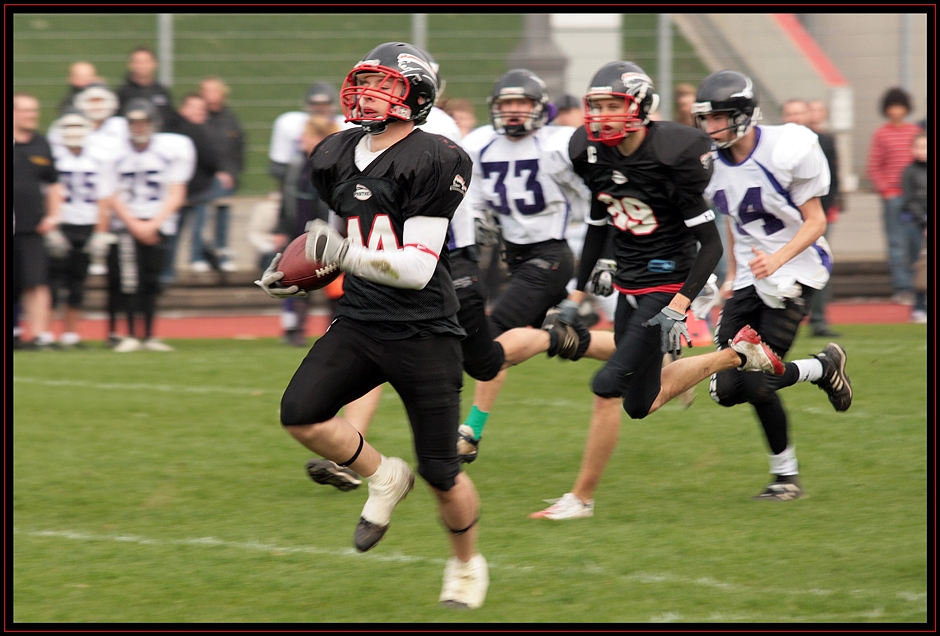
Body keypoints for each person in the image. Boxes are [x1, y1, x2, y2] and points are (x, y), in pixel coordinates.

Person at [254, 42, 488, 609]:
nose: (367, 95)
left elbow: (414, 267)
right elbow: (349, 234)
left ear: (417, 98)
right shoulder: (336, 152)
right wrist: (303, 267)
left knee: (442, 472)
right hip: (360, 319)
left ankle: (467, 564)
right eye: (365, 83)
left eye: (384, 86)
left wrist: (341, 251)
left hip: (424, 330)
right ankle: (383, 475)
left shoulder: (436, 157)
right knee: (301, 415)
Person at [528, 63, 798, 521]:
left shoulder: (675, 153)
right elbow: (598, 224)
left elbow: (710, 244)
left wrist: (679, 305)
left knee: (606, 383)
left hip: (668, 285)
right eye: (597, 107)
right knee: (639, 403)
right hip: (629, 283)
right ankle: (736, 354)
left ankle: (580, 499)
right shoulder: (589, 152)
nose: (603, 116)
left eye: (614, 106)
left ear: (641, 108)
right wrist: (576, 296)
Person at [690, 70, 853, 503]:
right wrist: (730, 275)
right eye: (705, 119)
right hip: (750, 276)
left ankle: (786, 476)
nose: (710, 128)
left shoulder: (787, 148)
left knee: (759, 382)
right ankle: (821, 368)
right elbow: (734, 221)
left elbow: (816, 221)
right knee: (726, 389)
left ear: (743, 115)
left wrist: (777, 259)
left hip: (797, 269)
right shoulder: (713, 166)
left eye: (718, 118)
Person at [98, 98, 195, 352]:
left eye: (143, 122)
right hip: (127, 225)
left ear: (153, 123)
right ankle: (130, 335)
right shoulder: (114, 153)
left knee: (152, 281)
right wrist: (135, 225)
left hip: (158, 222)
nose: (138, 128)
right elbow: (110, 194)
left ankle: (149, 335)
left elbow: (177, 192)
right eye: (134, 123)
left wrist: (154, 223)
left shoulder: (171, 149)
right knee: (130, 281)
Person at [47, 109, 115, 349]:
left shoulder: (98, 158)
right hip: (62, 222)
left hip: (86, 224)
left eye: (79, 128)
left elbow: (104, 198)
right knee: (53, 282)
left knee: (77, 282)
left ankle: (70, 334)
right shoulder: (53, 157)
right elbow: (46, 193)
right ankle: (46, 334)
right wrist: (51, 225)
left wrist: (100, 232)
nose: (74, 133)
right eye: (69, 128)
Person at [161, 93, 233, 279]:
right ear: (184, 109)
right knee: (182, 230)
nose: (200, 112)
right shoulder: (189, 130)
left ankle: (174, 268)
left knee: (186, 230)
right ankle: (180, 265)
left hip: (197, 189)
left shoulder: (199, 128)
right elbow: (209, 156)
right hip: (187, 190)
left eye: (202, 108)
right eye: (196, 108)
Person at [866, 87, 922, 306]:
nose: (896, 111)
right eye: (892, 107)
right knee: (897, 243)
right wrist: (885, 190)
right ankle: (902, 287)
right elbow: (874, 166)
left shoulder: (914, 131)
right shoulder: (881, 134)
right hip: (893, 196)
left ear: (906, 108)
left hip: (916, 197)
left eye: (900, 106)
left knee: (916, 243)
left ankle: (920, 287)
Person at [13, 92, 61, 350]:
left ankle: (41, 336)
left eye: (34, 110)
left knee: (37, 281)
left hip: (32, 226)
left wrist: (53, 216)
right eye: (26, 110)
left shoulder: (42, 144)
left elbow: (53, 184)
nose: (32, 115)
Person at [199, 76, 246, 273]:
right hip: (204, 176)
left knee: (223, 209)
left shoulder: (229, 118)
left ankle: (220, 248)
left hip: (226, 177)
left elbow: (237, 147)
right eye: (205, 91)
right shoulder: (201, 118)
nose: (208, 95)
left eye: (212, 90)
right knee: (201, 213)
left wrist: (231, 173)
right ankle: (201, 253)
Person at [805, 99, 843, 337]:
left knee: (820, 263)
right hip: (787, 216)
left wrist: (823, 210)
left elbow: (832, 178)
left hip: (816, 213)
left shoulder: (826, 140)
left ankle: (818, 320)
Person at [901, 130, 927, 323]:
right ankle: (918, 306)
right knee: (920, 265)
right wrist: (924, 221)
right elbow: (910, 199)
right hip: (916, 224)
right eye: (918, 147)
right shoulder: (909, 171)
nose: (922, 151)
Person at [116, 46, 174, 124]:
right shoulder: (122, 93)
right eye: (137, 62)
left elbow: (170, 117)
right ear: (130, 65)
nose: (141, 66)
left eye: (145, 62)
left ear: (154, 64)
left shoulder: (162, 91)